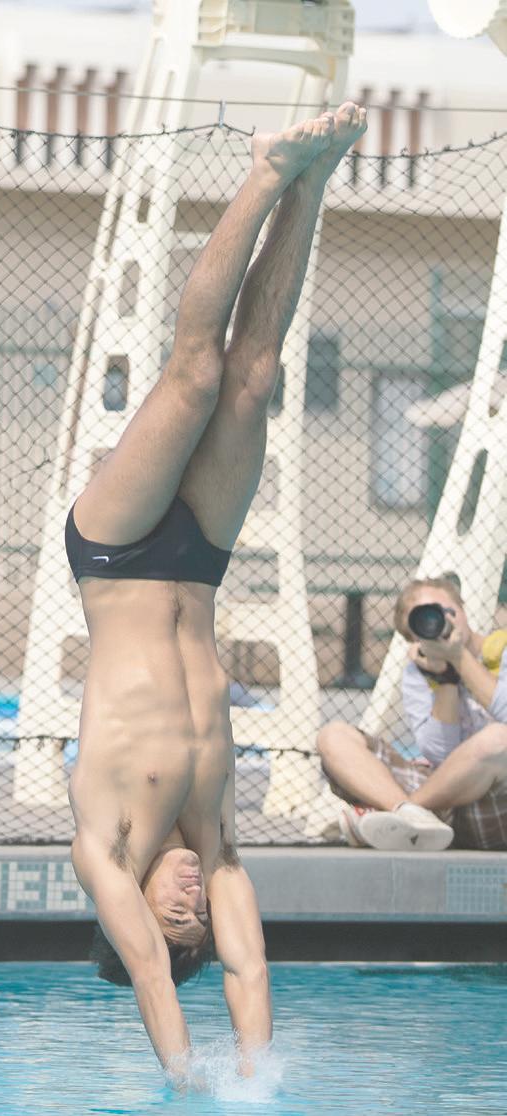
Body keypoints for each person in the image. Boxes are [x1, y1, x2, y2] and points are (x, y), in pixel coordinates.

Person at [64, 102, 368, 1082]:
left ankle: (266, 169)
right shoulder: (218, 842)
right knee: (253, 377)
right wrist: (253, 1082)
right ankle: (313, 181)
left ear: (131, 913)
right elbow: (249, 966)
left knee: (194, 376)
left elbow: (156, 976)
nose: (190, 902)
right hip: (198, 563)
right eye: (199, 916)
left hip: (116, 555)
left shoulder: (105, 847)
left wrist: (186, 1081)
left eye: (174, 915)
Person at [317, 576, 507, 851]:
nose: (440, 623)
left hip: (495, 802)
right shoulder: (418, 673)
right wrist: (444, 679)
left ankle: (398, 817)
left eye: (445, 612)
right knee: (333, 736)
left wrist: (459, 657)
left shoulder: (501, 649)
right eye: (425, 620)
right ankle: (408, 814)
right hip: (442, 793)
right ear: (414, 636)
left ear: (463, 609)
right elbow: (441, 754)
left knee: (499, 739)